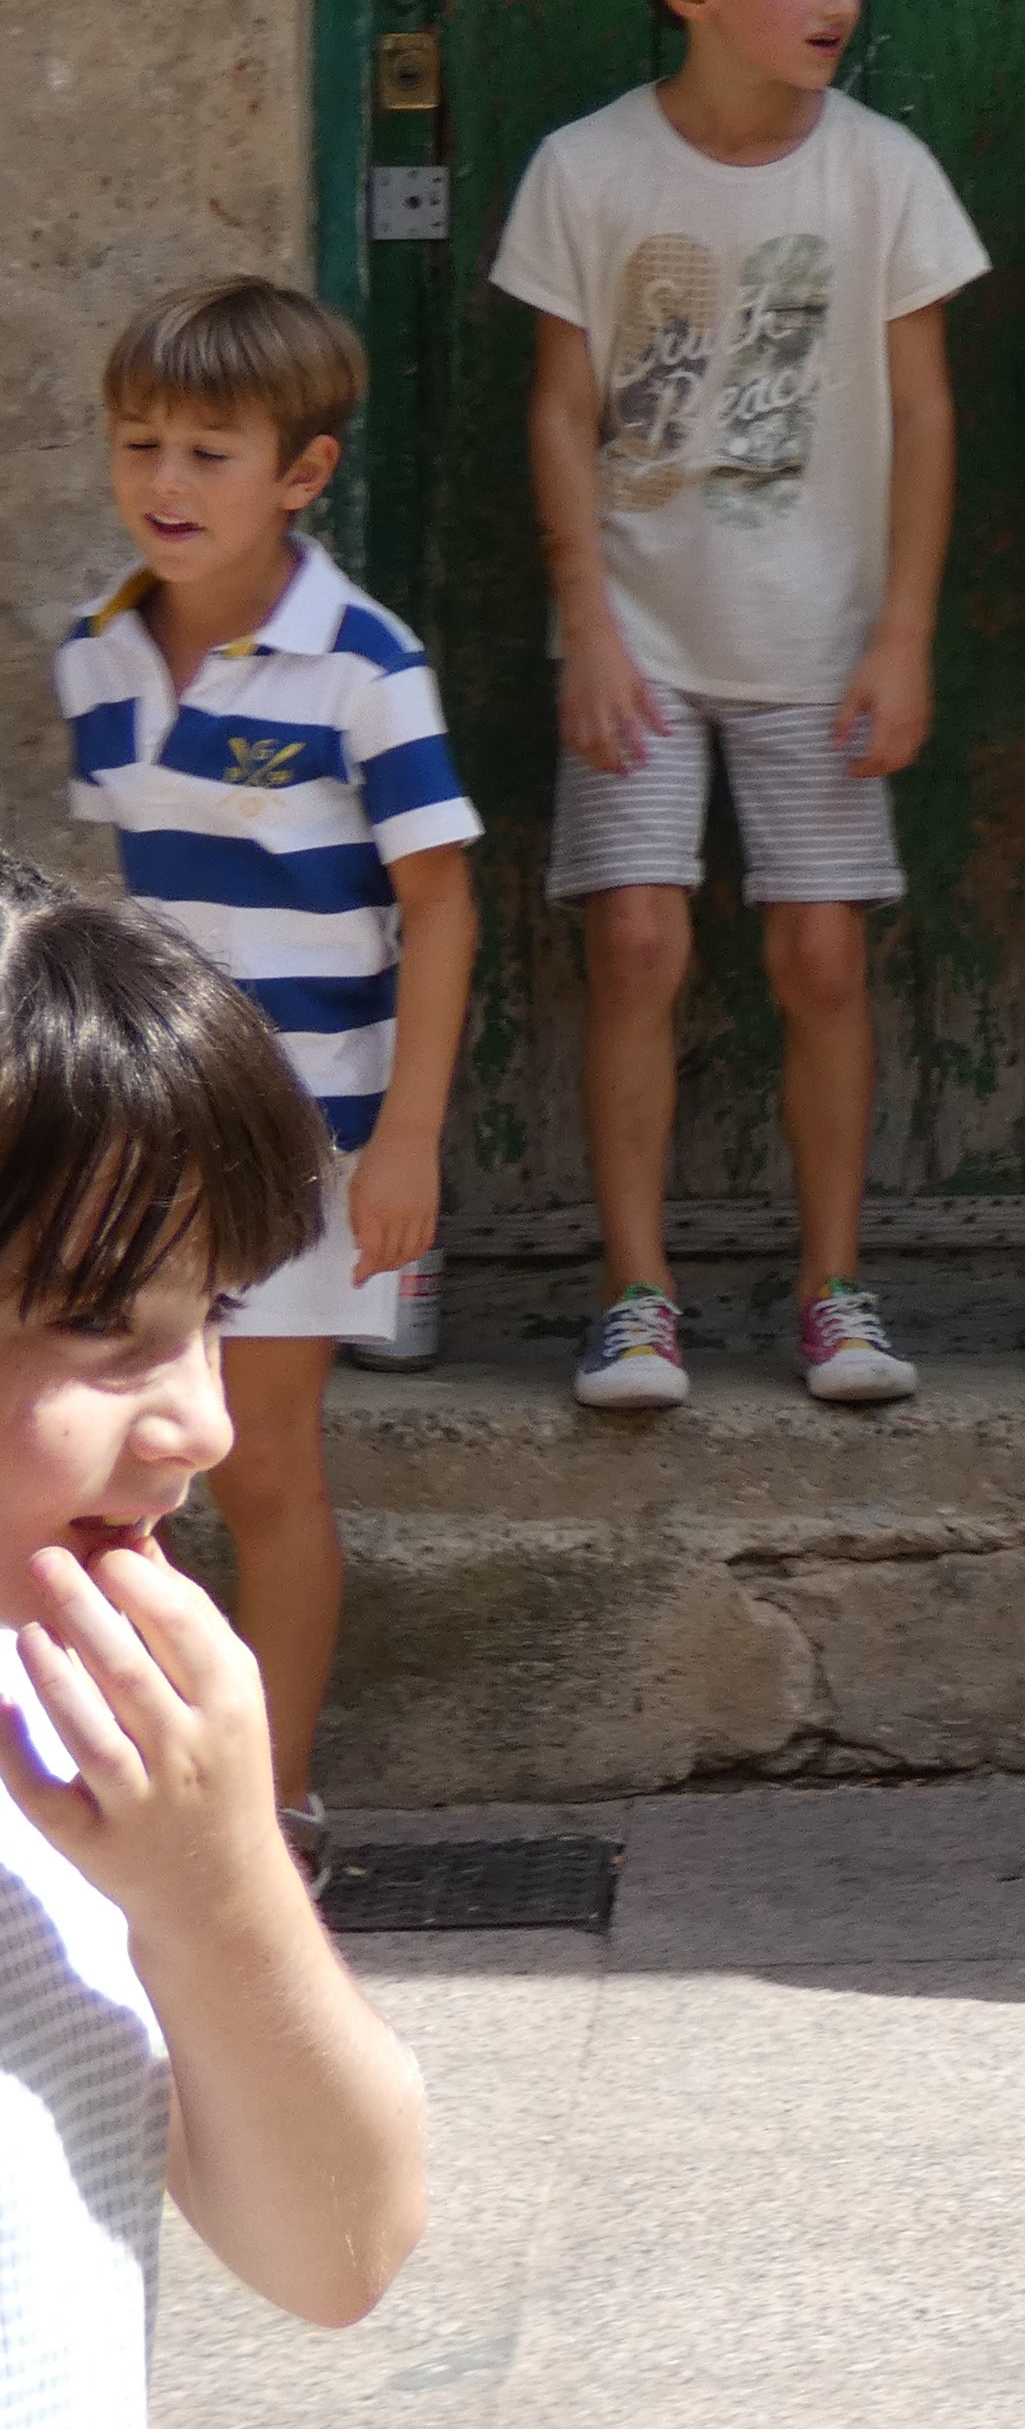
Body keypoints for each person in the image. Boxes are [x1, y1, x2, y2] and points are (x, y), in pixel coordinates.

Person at [493, 0, 984, 1416]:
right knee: (636, 941)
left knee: (822, 957)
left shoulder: (882, 174)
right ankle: (636, 1296)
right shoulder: (587, 168)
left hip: (821, 642)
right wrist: (588, 620)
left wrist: (905, 629)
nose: (839, 0)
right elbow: (561, 410)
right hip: (638, 637)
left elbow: (926, 414)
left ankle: (834, 1288)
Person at [52, 283, 477, 1884]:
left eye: (209, 452)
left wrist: (409, 1145)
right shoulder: (98, 657)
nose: (166, 480)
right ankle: (109, 1789)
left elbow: (441, 903)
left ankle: (269, 1819)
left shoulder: (367, 667)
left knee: (268, 1467)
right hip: (145, 1148)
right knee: (99, 1463)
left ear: (300, 474)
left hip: (311, 1147)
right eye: (140, 443)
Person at [0, 854, 429, 2412]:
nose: (196, 1422)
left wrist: (220, 1887)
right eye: (107, 1322)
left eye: (217, 1316)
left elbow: (342, 2251)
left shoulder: (54, 1723)